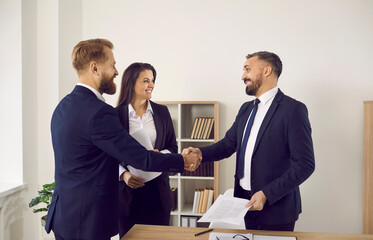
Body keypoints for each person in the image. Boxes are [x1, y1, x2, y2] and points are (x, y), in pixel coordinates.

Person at [44, 39, 201, 240]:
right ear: (95, 67)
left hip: (65, 215)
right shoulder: (100, 112)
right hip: (88, 219)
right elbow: (141, 158)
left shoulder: (63, 107)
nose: (117, 72)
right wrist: (183, 160)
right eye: (113, 65)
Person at [183, 51, 315, 231]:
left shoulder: (293, 110)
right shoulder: (246, 109)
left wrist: (267, 194)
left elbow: (305, 164)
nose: (243, 76)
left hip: (277, 208)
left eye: (247, 69)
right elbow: (228, 144)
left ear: (267, 70)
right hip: (245, 204)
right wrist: (200, 153)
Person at [114, 62, 176, 237]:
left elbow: (172, 147)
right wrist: (124, 175)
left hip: (158, 191)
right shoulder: (115, 115)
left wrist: (160, 156)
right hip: (129, 192)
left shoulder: (162, 112)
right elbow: (108, 155)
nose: (151, 85)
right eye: (146, 80)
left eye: (153, 80)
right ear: (131, 83)